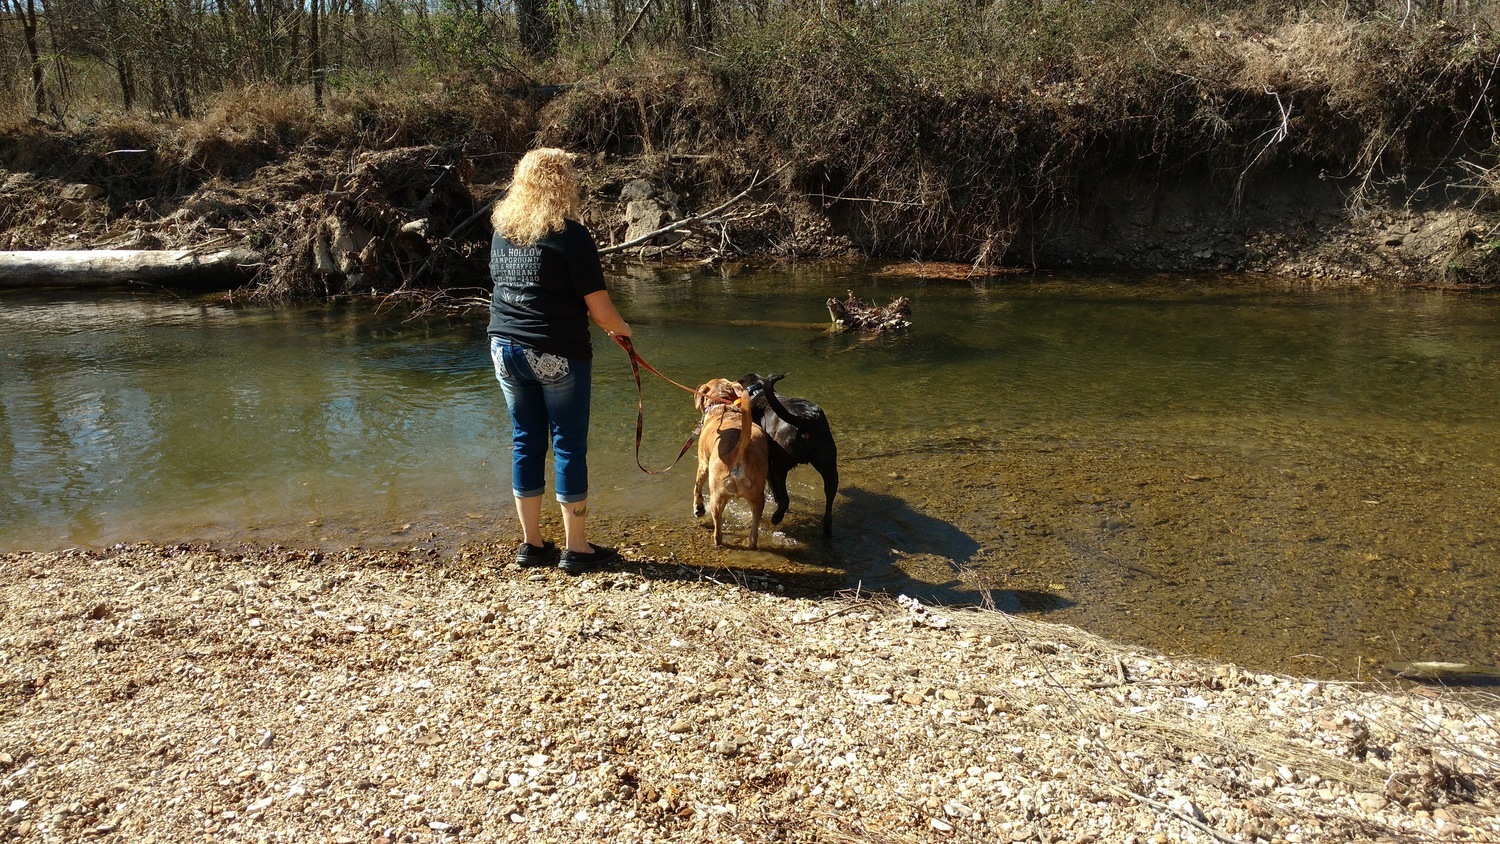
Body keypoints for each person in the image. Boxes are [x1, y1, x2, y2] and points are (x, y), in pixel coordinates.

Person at [487, 148, 632, 573]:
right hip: (554, 352)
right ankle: (576, 549)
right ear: (563, 184)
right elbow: (601, 311)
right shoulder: (571, 235)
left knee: (525, 440)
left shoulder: (502, 229)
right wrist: (623, 330)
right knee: (568, 444)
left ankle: (532, 546)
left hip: (503, 349)